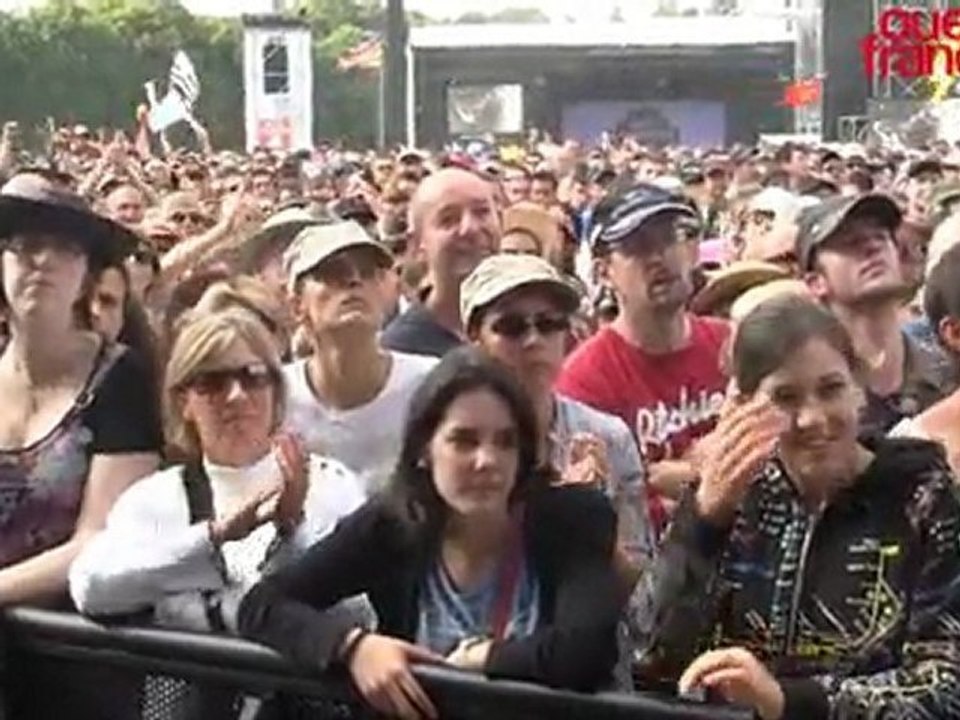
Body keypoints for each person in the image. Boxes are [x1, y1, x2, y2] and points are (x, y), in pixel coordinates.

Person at [239, 348, 622, 720]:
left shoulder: (573, 518)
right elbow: (262, 605)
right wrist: (354, 647)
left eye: (505, 442)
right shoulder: (392, 523)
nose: (486, 460)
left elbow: (585, 651)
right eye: (464, 441)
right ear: (424, 449)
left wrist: (484, 658)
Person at [626, 295, 960, 720]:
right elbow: (645, 662)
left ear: (859, 389)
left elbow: (947, 687)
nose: (812, 419)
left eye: (831, 389)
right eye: (786, 397)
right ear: (744, 407)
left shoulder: (921, 495)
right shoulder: (735, 498)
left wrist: (787, 701)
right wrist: (701, 525)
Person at [69, 310, 367, 630]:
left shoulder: (330, 485)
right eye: (212, 383)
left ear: (275, 390)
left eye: (253, 377)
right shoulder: (153, 499)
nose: (236, 396)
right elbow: (90, 589)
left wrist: (292, 530)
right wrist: (213, 537)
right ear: (183, 402)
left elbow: (357, 612)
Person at [0, 173, 162, 606]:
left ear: (87, 275)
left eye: (65, 248)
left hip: (61, 631)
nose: (43, 260)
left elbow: (101, 536)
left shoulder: (120, 377)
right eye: (26, 245)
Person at [556, 184, 730, 535]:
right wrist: (712, 480)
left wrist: (680, 478)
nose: (658, 258)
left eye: (668, 240)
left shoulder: (730, 343)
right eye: (637, 248)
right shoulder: (583, 379)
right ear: (604, 272)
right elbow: (617, 515)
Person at [461, 253, 652, 570]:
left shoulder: (609, 437)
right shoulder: (456, 444)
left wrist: (593, 518)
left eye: (549, 324)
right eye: (511, 327)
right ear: (475, 341)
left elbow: (643, 583)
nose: (533, 340)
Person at [283, 221, 436, 494]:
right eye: (333, 273)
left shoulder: (429, 385)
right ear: (297, 306)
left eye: (368, 272)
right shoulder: (274, 396)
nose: (354, 281)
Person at [797, 193, 953, 436]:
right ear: (816, 282)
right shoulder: (806, 391)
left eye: (881, 237)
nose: (872, 247)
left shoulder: (948, 371)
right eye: (851, 242)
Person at [382, 168, 499, 357]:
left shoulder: (534, 328)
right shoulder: (400, 353)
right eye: (448, 219)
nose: (470, 228)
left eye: (482, 212)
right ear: (417, 243)